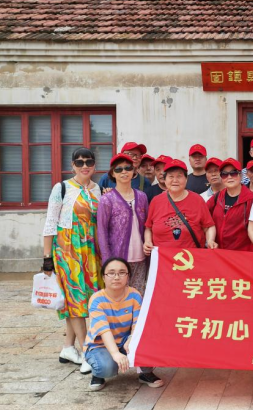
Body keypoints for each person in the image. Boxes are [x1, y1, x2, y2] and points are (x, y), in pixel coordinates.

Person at [42, 147, 102, 375]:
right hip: (68, 250)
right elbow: (50, 223)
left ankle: (68, 347)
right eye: (80, 162)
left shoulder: (98, 189)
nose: (84, 166)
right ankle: (87, 351)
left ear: (94, 165)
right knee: (76, 299)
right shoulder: (62, 188)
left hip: (91, 251)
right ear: (72, 165)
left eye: (89, 162)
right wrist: (47, 258)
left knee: (82, 300)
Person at [83, 258, 164, 391]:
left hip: (125, 341)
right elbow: (104, 330)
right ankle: (98, 373)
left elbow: (138, 323)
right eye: (111, 273)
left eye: (122, 273)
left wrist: (132, 339)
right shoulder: (97, 299)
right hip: (101, 344)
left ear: (128, 276)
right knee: (106, 367)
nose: (116, 277)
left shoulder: (134, 295)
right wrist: (115, 353)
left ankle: (145, 373)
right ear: (103, 277)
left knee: (150, 341)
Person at [96, 153, 149, 295]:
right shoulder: (107, 200)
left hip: (140, 257)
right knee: (118, 296)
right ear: (113, 173)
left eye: (128, 168)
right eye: (119, 169)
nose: (124, 172)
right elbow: (102, 232)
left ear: (134, 171)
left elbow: (148, 225)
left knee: (138, 295)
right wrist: (107, 261)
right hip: (117, 258)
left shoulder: (142, 197)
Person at [143, 159, 217, 253]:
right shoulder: (156, 201)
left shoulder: (197, 200)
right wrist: (148, 242)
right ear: (165, 180)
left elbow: (209, 226)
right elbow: (148, 228)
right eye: (171, 176)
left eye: (179, 176)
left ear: (186, 179)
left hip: (191, 257)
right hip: (163, 258)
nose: (175, 180)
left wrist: (210, 240)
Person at [206, 158, 253, 251]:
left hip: (242, 254)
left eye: (233, 173)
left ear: (241, 175)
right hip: (219, 252)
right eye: (224, 174)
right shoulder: (217, 197)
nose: (229, 177)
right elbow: (203, 216)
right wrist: (210, 239)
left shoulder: (252, 200)